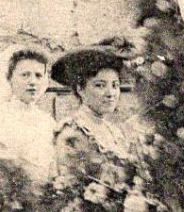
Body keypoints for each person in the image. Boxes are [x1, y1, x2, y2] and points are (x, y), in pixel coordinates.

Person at [52, 47, 140, 180]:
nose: (110, 93)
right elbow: (70, 186)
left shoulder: (114, 131)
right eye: (100, 85)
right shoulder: (72, 131)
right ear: (80, 89)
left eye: (115, 85)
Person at [0, 46, 56, 179]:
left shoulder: (47, 121)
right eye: (25, 75)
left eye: (38, 76)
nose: (32, 82)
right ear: (10, 79)